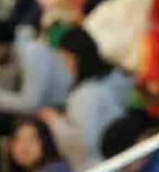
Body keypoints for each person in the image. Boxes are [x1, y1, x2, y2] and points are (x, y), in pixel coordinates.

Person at [42, 26, 133, 162]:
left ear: (74, 58)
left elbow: (83, 143)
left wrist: (54, 121)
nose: (64, 65)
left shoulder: (86, 94)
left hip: (101, 164)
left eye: (65, 59)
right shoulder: (117, 75)